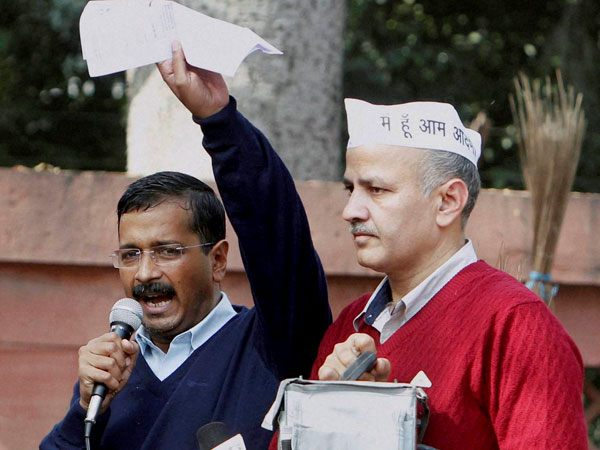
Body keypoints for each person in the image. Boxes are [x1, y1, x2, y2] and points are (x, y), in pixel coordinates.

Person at [40, 41, 331, 450]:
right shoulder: (111, 373)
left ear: (218, 260)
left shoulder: (270, 345)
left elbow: (277, 234)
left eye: (168, 251)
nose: (145, 274)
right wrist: (86, 408)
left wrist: (220, 121)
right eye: (131, 254)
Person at [309, 99, 587, 449]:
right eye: (351, 189)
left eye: (376, 190)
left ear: (448, 201)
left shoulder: (516, 326)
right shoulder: (350, 326)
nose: (350, 211)